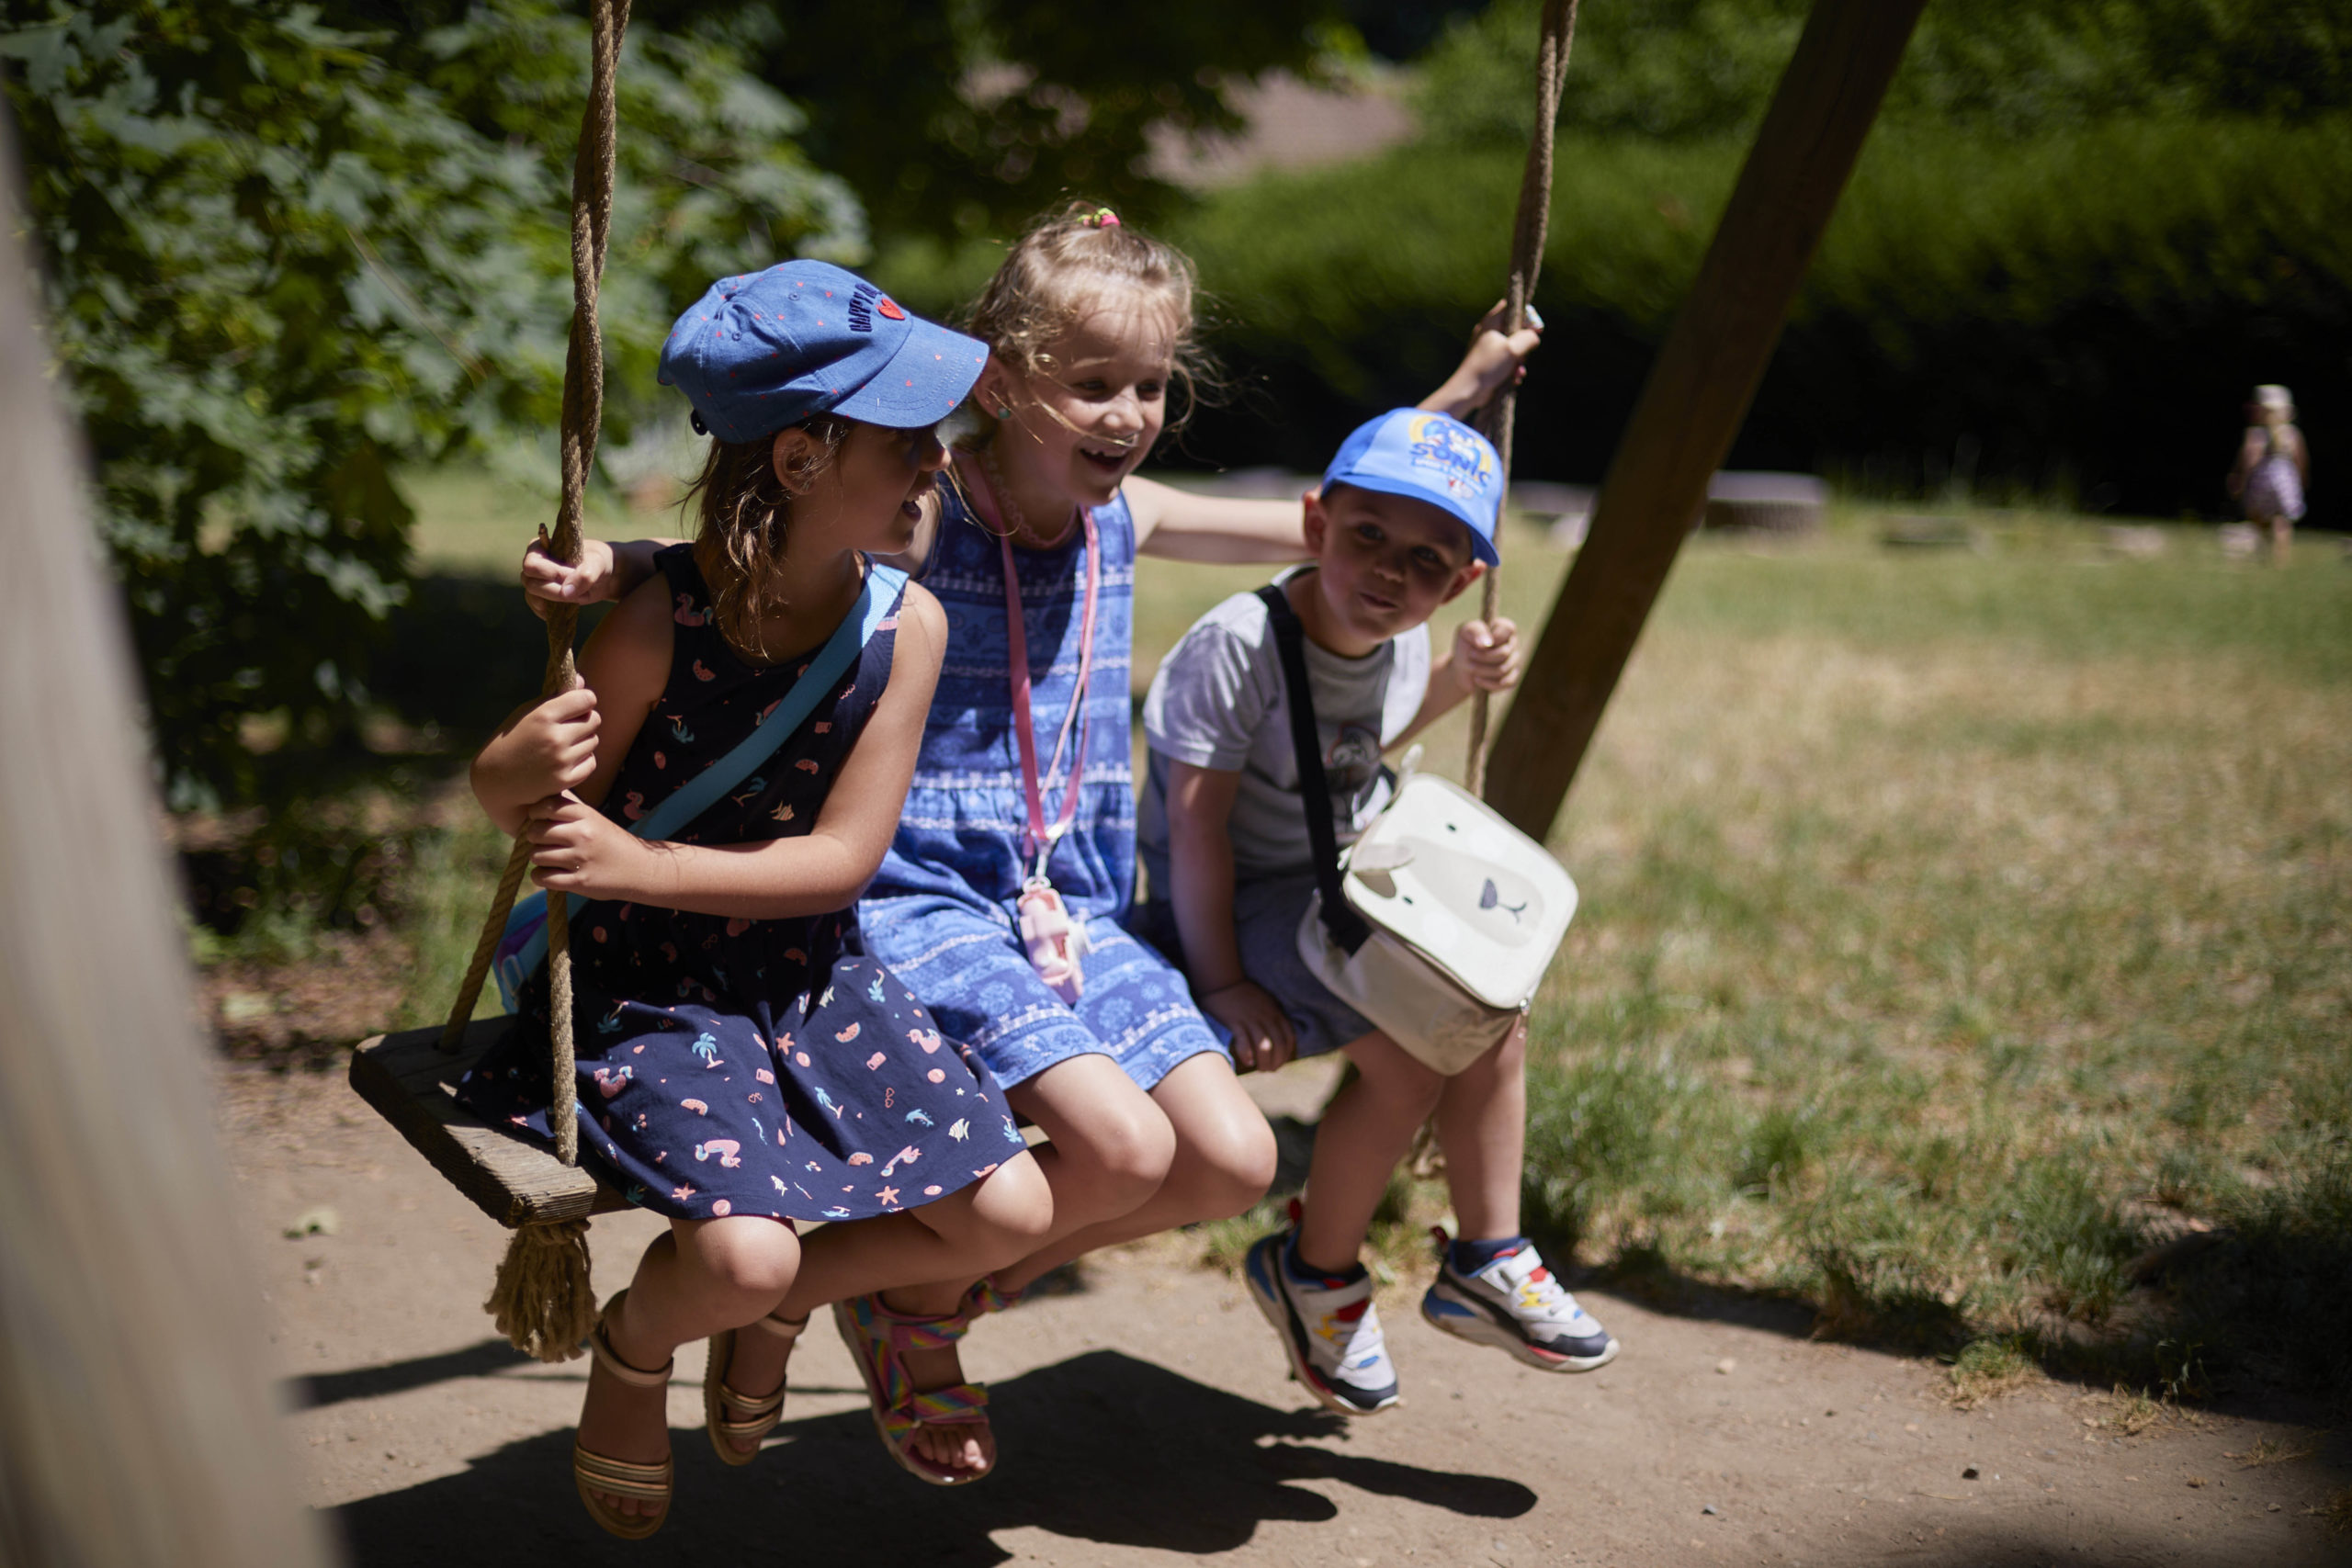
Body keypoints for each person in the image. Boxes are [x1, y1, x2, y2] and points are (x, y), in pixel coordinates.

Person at [528, 203, 1539, 1479]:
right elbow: (760, 536)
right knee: (1122, 1148)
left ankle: (866, 1292)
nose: (1127, 411)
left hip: (1066, 901)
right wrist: (607, 563)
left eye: (1152, 385)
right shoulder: (930, 502)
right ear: (998, 385)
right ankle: (902, 1308)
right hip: (914, 895)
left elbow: (1337, 518)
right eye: (1094, 382)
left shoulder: (1131, 516)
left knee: (1228, 1156)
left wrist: (1463, 388)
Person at [460, 260, 1052, 1534]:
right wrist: (510, 771)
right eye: (909, 440)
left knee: (1009, 1205)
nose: (938, 463)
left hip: (805, 966)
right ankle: (638, 1348)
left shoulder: (908, 627)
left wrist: (641, 858)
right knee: (743, 1248)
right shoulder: (652, 622)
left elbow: (840, 862)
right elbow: (530, 802)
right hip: (642, 978)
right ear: (796, 459)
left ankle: (778, 1313)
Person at [1133, 407, 1620, 1418]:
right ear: (1315, 525)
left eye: (1429, 561)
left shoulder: (1400, 636)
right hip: (1240, 894)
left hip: (1337, 876)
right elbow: (1195, 833)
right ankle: (1350, 1271)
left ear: (1462, 581)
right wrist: (1220, 979)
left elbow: (1359, 748)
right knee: (1425, 1039)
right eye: (1369, 538)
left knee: (1486, 1020)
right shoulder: (1239, 645)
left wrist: (1453, 681)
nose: (1394, 574)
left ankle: (1449, 1259)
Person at [2227, 384, 2308, 562]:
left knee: (2259, 517)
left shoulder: (2255, 434)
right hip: (2286, 481)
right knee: (2282, 521)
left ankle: (2264, 551)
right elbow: (2300, 459)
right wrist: (2301, 480)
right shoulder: (2292, 434)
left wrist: (2239, 479)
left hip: (2261, 482)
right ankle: (2280, 558)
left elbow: (2249, 459)